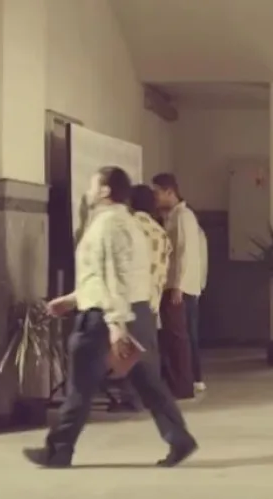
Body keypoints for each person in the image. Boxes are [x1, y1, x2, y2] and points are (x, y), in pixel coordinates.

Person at [23, 166, 197, 468]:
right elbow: (111, 275)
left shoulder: (109, 224)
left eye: (93, 185)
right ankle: (179, 438)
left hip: (105, 317)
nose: (89, 191)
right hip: (134, 311)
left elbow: (114, 276)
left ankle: (58, 450)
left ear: (105, 190)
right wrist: (74, 299)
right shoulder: (128, 223)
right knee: (148, 382)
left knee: (80, 384)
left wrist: (115, 323)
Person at [130, 185, 193, 399]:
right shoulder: (159, 230)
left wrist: (178, 286)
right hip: (154, 295)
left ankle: (136, 395)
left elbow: (183, 255)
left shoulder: (132, 226)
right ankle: (153, 391)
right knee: (151, 346)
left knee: (137, 346)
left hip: (135, 294)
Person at [151, 173, 208, 396]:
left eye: (157, 192)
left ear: (170, 192)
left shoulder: (183, 216)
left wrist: (178, 285)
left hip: (181, 287)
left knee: (182, 336)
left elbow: (184, 253)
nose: (155, 197)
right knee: (182, 335)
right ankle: (191, 378)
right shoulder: (172, 216)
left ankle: (190, 380)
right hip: (179, 286)